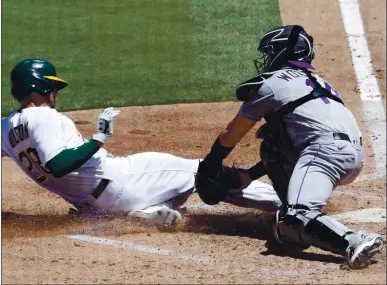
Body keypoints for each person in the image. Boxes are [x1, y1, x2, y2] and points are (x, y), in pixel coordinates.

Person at [1, 58, 281, 229]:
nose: (55, 95)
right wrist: (99, 139)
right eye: (52, 88)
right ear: (39, 88)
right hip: (121, 181)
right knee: (202, 171)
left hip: (94, 206)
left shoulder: (6, 127)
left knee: (171, 195)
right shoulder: (46, 118)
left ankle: (146, 213)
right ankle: (288, 205)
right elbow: (58, 165)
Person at [194, 25, 384, 269]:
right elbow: (289, 144)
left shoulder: (270, 84)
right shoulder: (320, 83)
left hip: (324, 153)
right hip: (352, 157)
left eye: (271, 52)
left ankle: (354, 240)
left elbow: (231, 134)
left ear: (283, 53)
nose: (267, 59)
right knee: (272, 143)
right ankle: (296, 217)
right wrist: (250, 176)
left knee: (294, 217)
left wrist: (211, 163)